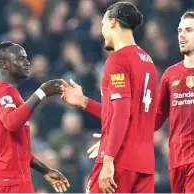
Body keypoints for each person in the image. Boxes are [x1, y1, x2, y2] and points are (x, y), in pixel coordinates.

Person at [88, 11, 194, 193]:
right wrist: (117, 137)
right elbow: (152, 120)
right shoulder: (170, 75)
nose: (182, 35)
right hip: (176, 161)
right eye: (179, 30)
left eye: (188, 30)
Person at [61, 2, 158, 193]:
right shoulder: (148, 61)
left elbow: (121, 113)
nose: (102, 30)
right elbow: (133, 113)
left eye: (103, 24)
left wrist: (108, 157)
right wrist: (84, 102)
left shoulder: (118, 60)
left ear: (113, 22)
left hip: (121, 161)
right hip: (145, 164)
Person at [0, 41, 70, 193]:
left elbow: (16, 150)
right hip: (7, 181)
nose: (27, 63)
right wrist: (41, 93)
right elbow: (11, 122)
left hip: (12, 179)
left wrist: (45, 170)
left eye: (26, 58)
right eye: (20, 58)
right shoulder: (3, 92)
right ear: (4, 64)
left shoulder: (10, 93)